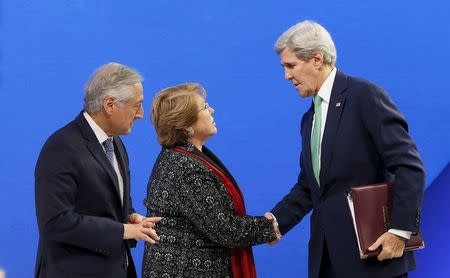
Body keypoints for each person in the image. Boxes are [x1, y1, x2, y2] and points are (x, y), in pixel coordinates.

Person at [267, 20, 425, 278]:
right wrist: (273, 224)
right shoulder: (310, 118)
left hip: (374, 257)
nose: (286, 75)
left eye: (291, 65)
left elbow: (409, 166)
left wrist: (400, 231)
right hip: (327, 261)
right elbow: (310, 186)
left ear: (317, 59)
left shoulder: (365, 96)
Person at [34, 63, 161, 278]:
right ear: (110, 105)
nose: (140, 114)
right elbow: (55, 222)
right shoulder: (61, 146)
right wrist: (122, 230)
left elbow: (112, 200)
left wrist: (130, 217)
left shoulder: (116, 144)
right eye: (136, 105)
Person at [142, 83, 280, 278]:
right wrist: (271, 226)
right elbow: (225, 229)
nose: (212, 110)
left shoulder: (186, 157)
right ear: (186, 125)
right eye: (205, 107)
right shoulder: (185, 167)